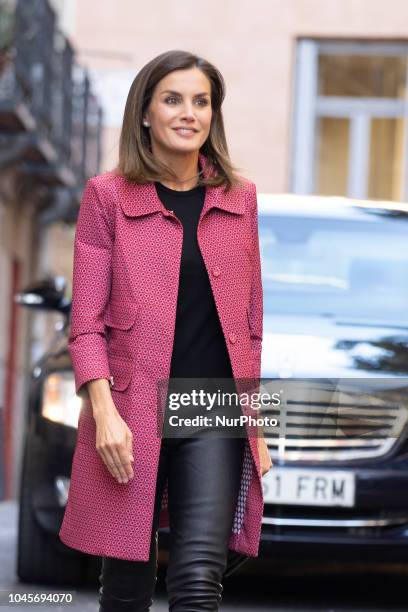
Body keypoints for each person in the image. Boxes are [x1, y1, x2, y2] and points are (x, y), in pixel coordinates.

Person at [59, 49, 273, 611]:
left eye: (200, 102)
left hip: (212, 404)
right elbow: (85, 326)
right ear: (146, 114)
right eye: (173, 100)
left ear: (213, 114)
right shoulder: (107, 195)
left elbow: (249, 325)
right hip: (129, 411)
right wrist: (103, 414)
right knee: (127, 586)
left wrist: (255, 426)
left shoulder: (240, 198)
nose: (188, 113)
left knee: (199, 578)